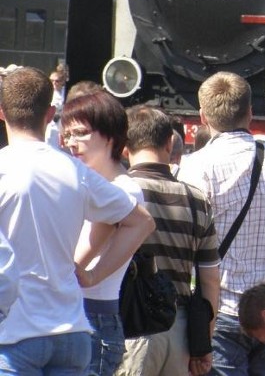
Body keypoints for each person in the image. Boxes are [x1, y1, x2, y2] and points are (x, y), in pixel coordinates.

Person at [0, 67, 154, 375]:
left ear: (1, 113)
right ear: (51, 113)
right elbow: (141, 222)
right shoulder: (74, 170)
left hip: (14, 333)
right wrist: (94, 275)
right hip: (71, 330)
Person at [177, 71, 265, 376]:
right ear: (250, 112)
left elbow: (186, 246)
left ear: (203, 117)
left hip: (221, 311)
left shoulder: (197, 166)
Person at [118, 105, 220, 376]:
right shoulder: (197, 200)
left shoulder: (117, 193)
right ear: (169, 142)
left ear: (125, 148)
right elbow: (210, 281)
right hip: (181, 328)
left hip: (130, 326)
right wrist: (201, 342)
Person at [62, 90, 146, 376]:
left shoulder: (122, 191)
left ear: (109, 135)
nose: (72, 142)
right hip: (86, 314)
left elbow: (78, 262)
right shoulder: (95, 186)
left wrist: (91, 276)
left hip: (94, 316)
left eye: (81, 133)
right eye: (68, 134)